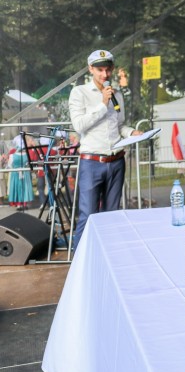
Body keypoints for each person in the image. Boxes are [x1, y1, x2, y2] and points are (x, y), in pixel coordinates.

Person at [69, 50, 141, 248]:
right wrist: (102, 104)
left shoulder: (117, 94)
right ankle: (79, 265)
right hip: (92, 163)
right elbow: (79, 126)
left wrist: (132, 132)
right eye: (100, 70)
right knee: (88, 215)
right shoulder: (79, 93)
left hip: (116, 162)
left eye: (108, 69)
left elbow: (119, 126)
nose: (105, 74)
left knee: (112, 215)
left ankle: (108, 259)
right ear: (91, 69)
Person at [7, 134, 34, 211]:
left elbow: (9, 165)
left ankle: (19, 204)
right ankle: (24, 203)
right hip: (25, 173)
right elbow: (29, 164)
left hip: (15, 173)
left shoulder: (12, 155)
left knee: (17, 188)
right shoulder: (27, 154)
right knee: (25, 187)